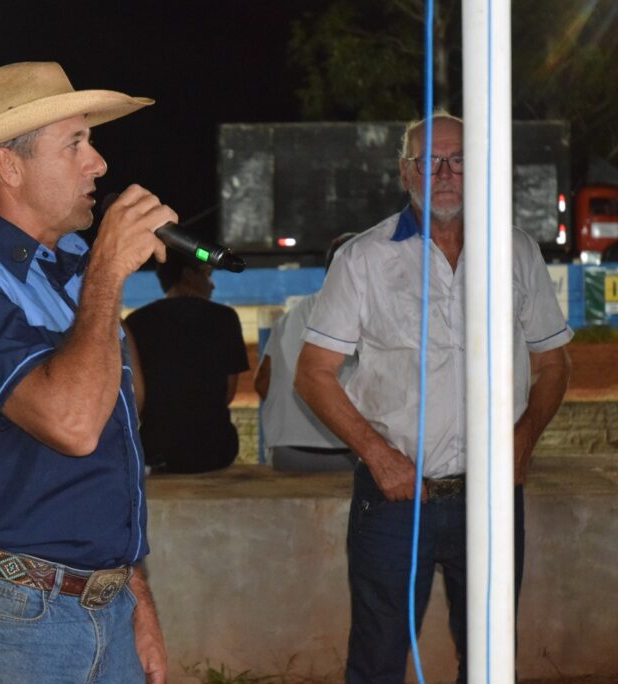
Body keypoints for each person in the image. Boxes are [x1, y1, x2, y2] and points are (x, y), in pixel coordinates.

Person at [0, 62, 173, 683]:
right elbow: (73, 425)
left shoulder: (73, 262)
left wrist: (136, 598)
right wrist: (107, 271)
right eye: (75, 143)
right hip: (6, 619)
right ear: (9, 166)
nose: (98, 163)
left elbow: (113, 437)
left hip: (100, 604)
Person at [294, 112, 572, 682]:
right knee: (376, 662)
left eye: (459, 159)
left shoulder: (516, 253)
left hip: (492, 499)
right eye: (429, 160)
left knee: (492, 661)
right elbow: (312, 374)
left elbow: (553, 362)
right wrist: (378, 456)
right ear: (406, 173)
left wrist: (523, 440)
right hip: (395, 500)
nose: (444, 172)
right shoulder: (363, 259)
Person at [125, 248, 249, 473]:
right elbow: (228, 394)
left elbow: (136, 396)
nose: (212, 284)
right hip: (215, 449)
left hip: (156, 449)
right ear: (188, 275)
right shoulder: (225, 318)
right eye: (206, 274)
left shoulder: (136, 322)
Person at [254, 233, 357, 472]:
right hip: (350, 453)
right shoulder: (371, 315)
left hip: (286, 454)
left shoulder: (292, 315)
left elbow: (262, 383)